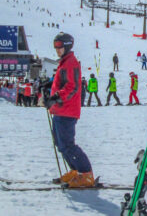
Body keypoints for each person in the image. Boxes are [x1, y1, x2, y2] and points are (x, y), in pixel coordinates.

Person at [47, 32, 95, 188]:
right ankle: (75, 171)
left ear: (67, 46)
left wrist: (55, 98)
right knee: (60, 144)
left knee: (67, 144)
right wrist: (47, 88)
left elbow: (72, 87)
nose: (57, 49)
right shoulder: (64, 62)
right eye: (55, 46)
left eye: (60, 46)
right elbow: (62, 83)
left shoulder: (71, 62)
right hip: (59, 110)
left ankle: (86, 173)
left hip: (66, 110)